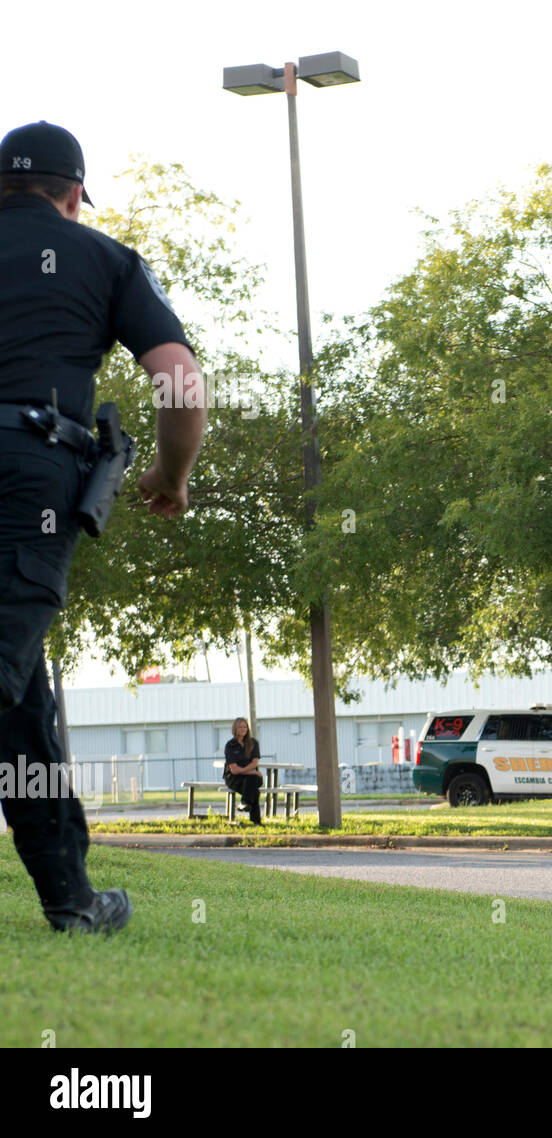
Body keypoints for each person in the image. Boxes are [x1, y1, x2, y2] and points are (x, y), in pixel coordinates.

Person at [0, 121, 206, 933]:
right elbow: (180, 383)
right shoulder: (104, 259)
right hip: (31, 473)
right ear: (75, 193)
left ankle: (72, 901)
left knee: (20, 698)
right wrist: (170, 478)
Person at [223, 718, 262, 825]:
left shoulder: (254, 743)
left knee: (252, 781)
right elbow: (234, 770)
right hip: (234, 778)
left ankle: (244, 802)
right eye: (240, 727)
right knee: (254, 790)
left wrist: (247, 771)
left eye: (245, 727)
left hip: (252, 778)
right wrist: (251, 772)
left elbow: (255, 762)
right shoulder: (230, 745)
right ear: (235, 728)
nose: (243, 729)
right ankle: (256, 821)